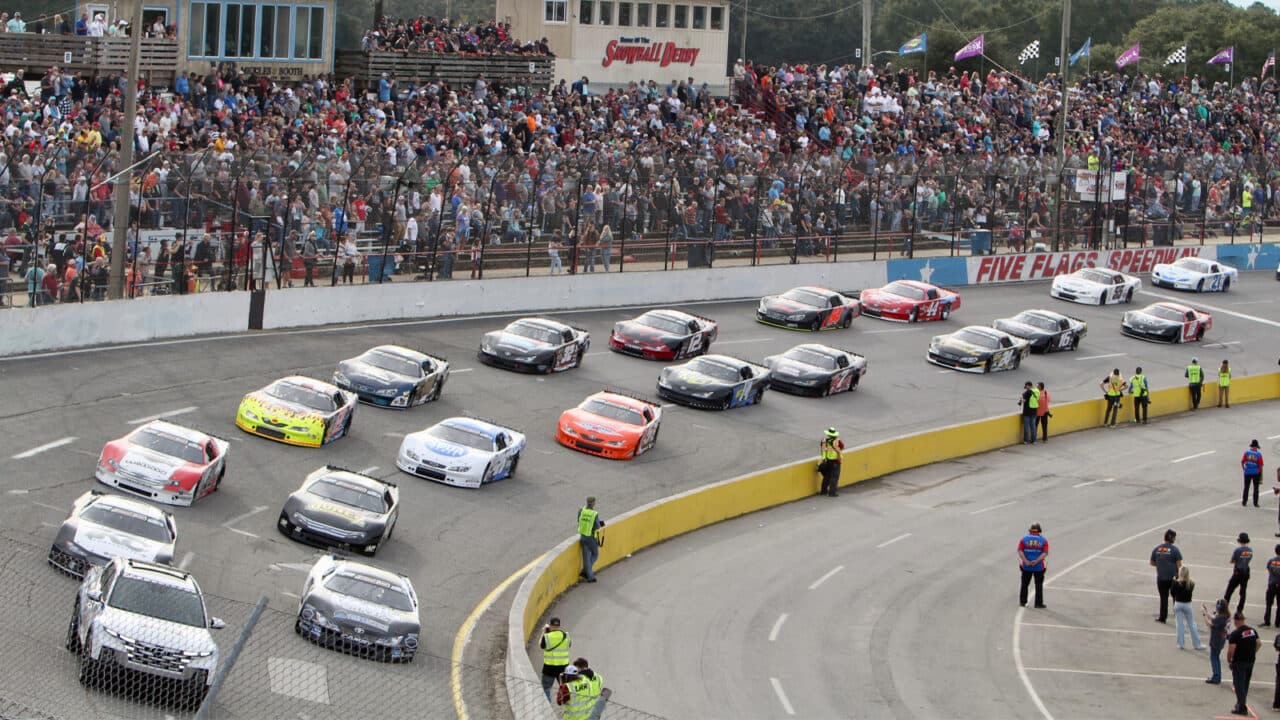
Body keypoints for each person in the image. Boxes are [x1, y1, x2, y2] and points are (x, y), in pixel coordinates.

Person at [1227, 611, 1261, 715]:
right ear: (1243, 620)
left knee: (1238, 685)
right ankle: (1240, 703)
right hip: (1250, 661)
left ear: (1236, 621)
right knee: (1245, 683)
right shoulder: (1252, 631)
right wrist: (1253, 652)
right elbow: (1259, 643)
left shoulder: (1235, 634)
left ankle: (1241, 707)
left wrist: (1229, 660)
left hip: (1239, 662)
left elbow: (1231, 650)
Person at [1151, 529, 1183, 623]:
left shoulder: (1157, 549)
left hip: (1161, 578)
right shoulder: (1174, 550)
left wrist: (1162, 565)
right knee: (1176, 597)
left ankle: (1162, 617)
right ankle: (1178, 616)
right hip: (1173, 578)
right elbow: (1179, 564)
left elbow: (1152, 563)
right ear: (1172, 538)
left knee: (1163, 598)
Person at [1171, 566, 1205, 650]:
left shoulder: (1176, 583)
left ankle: (1180, 644)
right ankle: (1197, 644)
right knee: (1192, 624)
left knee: (1179, 625)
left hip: (1178, 603)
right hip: (1187, 604)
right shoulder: (1191, 583)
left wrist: (1174, 581)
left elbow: (1172, 593)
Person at [539, 617, 571, 700]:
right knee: (565, 689)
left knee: (546, 688)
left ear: (550, 626)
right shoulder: (566, 635)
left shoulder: (547, 636)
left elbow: (541, 645)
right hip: (563, 667)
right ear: (559, 626)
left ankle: (547, 706)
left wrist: (543, 632)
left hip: (549, 667)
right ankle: (567, 707)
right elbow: (569, 645)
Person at [1018, 523, 1048, 608]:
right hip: (1038, 567)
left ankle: (1022, 602)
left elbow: (1020, 551)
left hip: (1026, 566)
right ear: (1039, 531)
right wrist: (1037, 561)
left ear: (1030, 530)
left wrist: (1026, 561)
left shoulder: (1024, 539)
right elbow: (1045, 553)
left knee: (1024, 584)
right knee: (1038, 585)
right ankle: (1038, 603)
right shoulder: (1043, 540)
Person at [1225, 532, 1254, 614]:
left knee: (1229, 590)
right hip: (1246, 571)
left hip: (1238, 571)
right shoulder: (1250, 550)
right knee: (1243, 591)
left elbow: (1232, 561)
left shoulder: (1238, 550)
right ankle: (1240, 610)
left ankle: (1224, 607)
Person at [577, 497, 604, 583]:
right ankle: (586, 572)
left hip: (583, 536)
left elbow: (579, 520)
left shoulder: (581, 510)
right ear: (593, 503)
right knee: (595, 555)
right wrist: (601, 524)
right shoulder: (594, 514)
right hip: (591, 538)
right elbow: (598, 526)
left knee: (586, 557)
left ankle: (589, 575)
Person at [1205, 598, 1231, 684]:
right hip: (1222, 638)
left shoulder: (1220, 617)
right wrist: (1207, 613)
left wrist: (1204, 614)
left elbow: (1210, 623)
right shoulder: (1226, 616)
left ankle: (1216, 677)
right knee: (1216, 657)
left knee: (1214, 658)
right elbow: (1213, 618)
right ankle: (1217, 676)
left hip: (1217, 639)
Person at [817, 427, 845, 497]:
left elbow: (823, 450)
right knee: (834, 478)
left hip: (827, 461)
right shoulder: (837, 441)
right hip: (836, 462)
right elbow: (842, 447)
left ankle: (823, 491)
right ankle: (832, 493)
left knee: (827, 476)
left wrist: (824, 458)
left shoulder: (824, 441)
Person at [1243, 440, 1264, 508]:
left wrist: (1244, 469)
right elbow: (1260, 465)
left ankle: (1244, 501)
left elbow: (1242, 462)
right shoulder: (1258, 454)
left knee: (1246, 487)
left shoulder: (1246, 453)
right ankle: (1255, 503)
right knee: (1256, 488)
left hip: (1247, 472)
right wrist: (1260, 473)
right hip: (1255, 473)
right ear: (1256, 447)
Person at [1263, 546, 1280, 627]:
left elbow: (1269, 570)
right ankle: (1278, 622)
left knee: (1269, 604)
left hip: (1272, 584)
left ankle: (1267, 621)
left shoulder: (1271, 561)